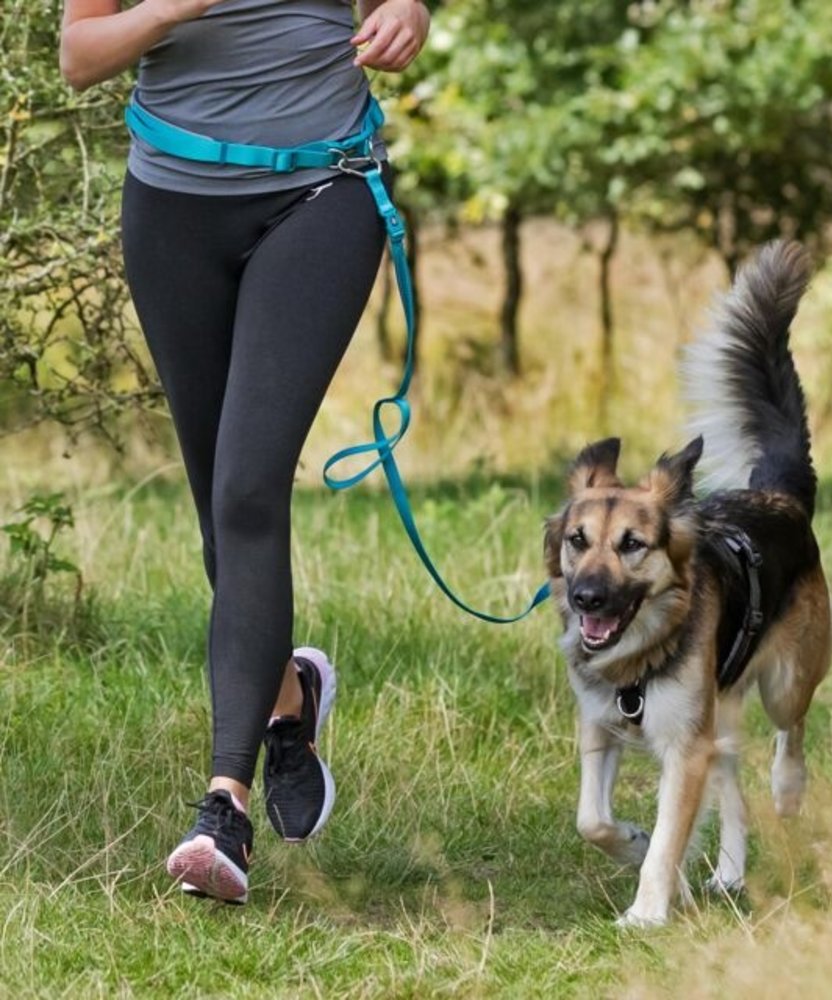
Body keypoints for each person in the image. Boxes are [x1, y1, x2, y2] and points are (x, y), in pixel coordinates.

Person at [59, 0, 431, 904]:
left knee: (250, 489)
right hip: (174, 207)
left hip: (324, 187)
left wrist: (406, 11)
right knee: (216, 501)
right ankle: (290, 698)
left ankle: (223, 806)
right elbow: (79, 54)